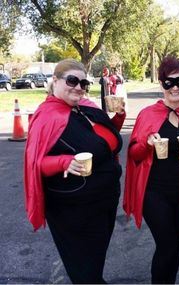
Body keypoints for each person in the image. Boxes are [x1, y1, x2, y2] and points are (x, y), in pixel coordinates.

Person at [24, 59, 126, 284]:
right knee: (85, 271)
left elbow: (101, 143)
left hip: (105, 200)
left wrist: (117, 119)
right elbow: (35, 164)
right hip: (73, 209)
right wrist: (63, 162)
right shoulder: (47, 116)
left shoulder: (86, 107)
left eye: (84, 83)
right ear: (56, 81)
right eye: (72, 80)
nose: (79, 87)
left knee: (96, 261)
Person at [123, 56, 179, 284]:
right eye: (169, 82)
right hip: (155, 193)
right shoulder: (147, 115)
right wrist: (146, 144)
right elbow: (133, 155)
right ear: (162, 83)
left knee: (175, 246)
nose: (175, 87)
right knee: (167, 245)